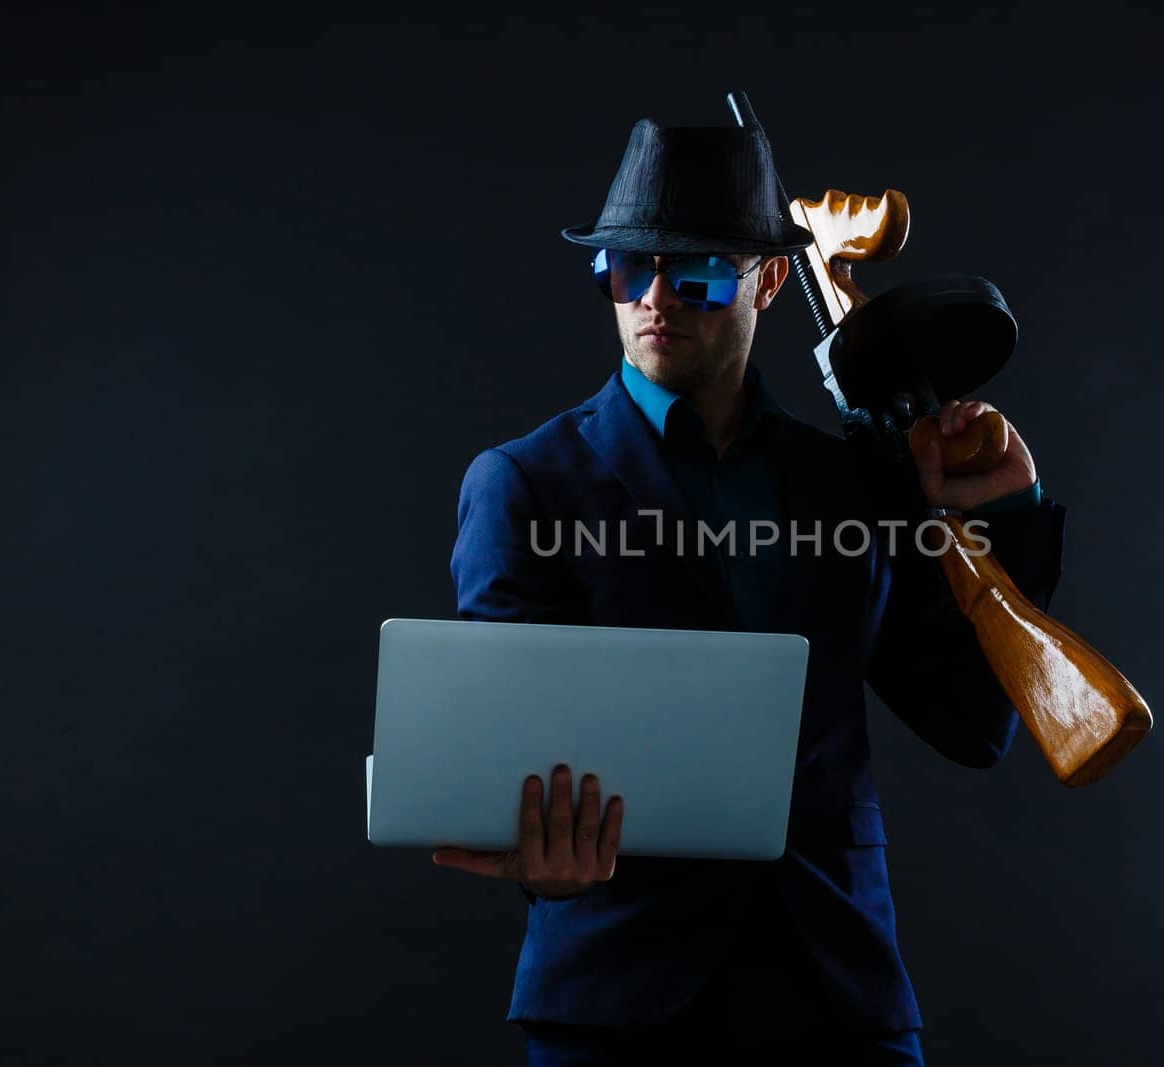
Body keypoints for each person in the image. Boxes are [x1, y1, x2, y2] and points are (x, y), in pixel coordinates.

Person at [436, 118, 1068, 1065]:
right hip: (617, 996)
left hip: (839, 992)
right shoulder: (525, 482)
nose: (655, 298)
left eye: (695, 274)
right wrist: (546, 865)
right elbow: (508, 755)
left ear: (769, 281)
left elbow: (975, 724)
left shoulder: (856, 482)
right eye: (625, 266)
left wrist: (1001, 520)